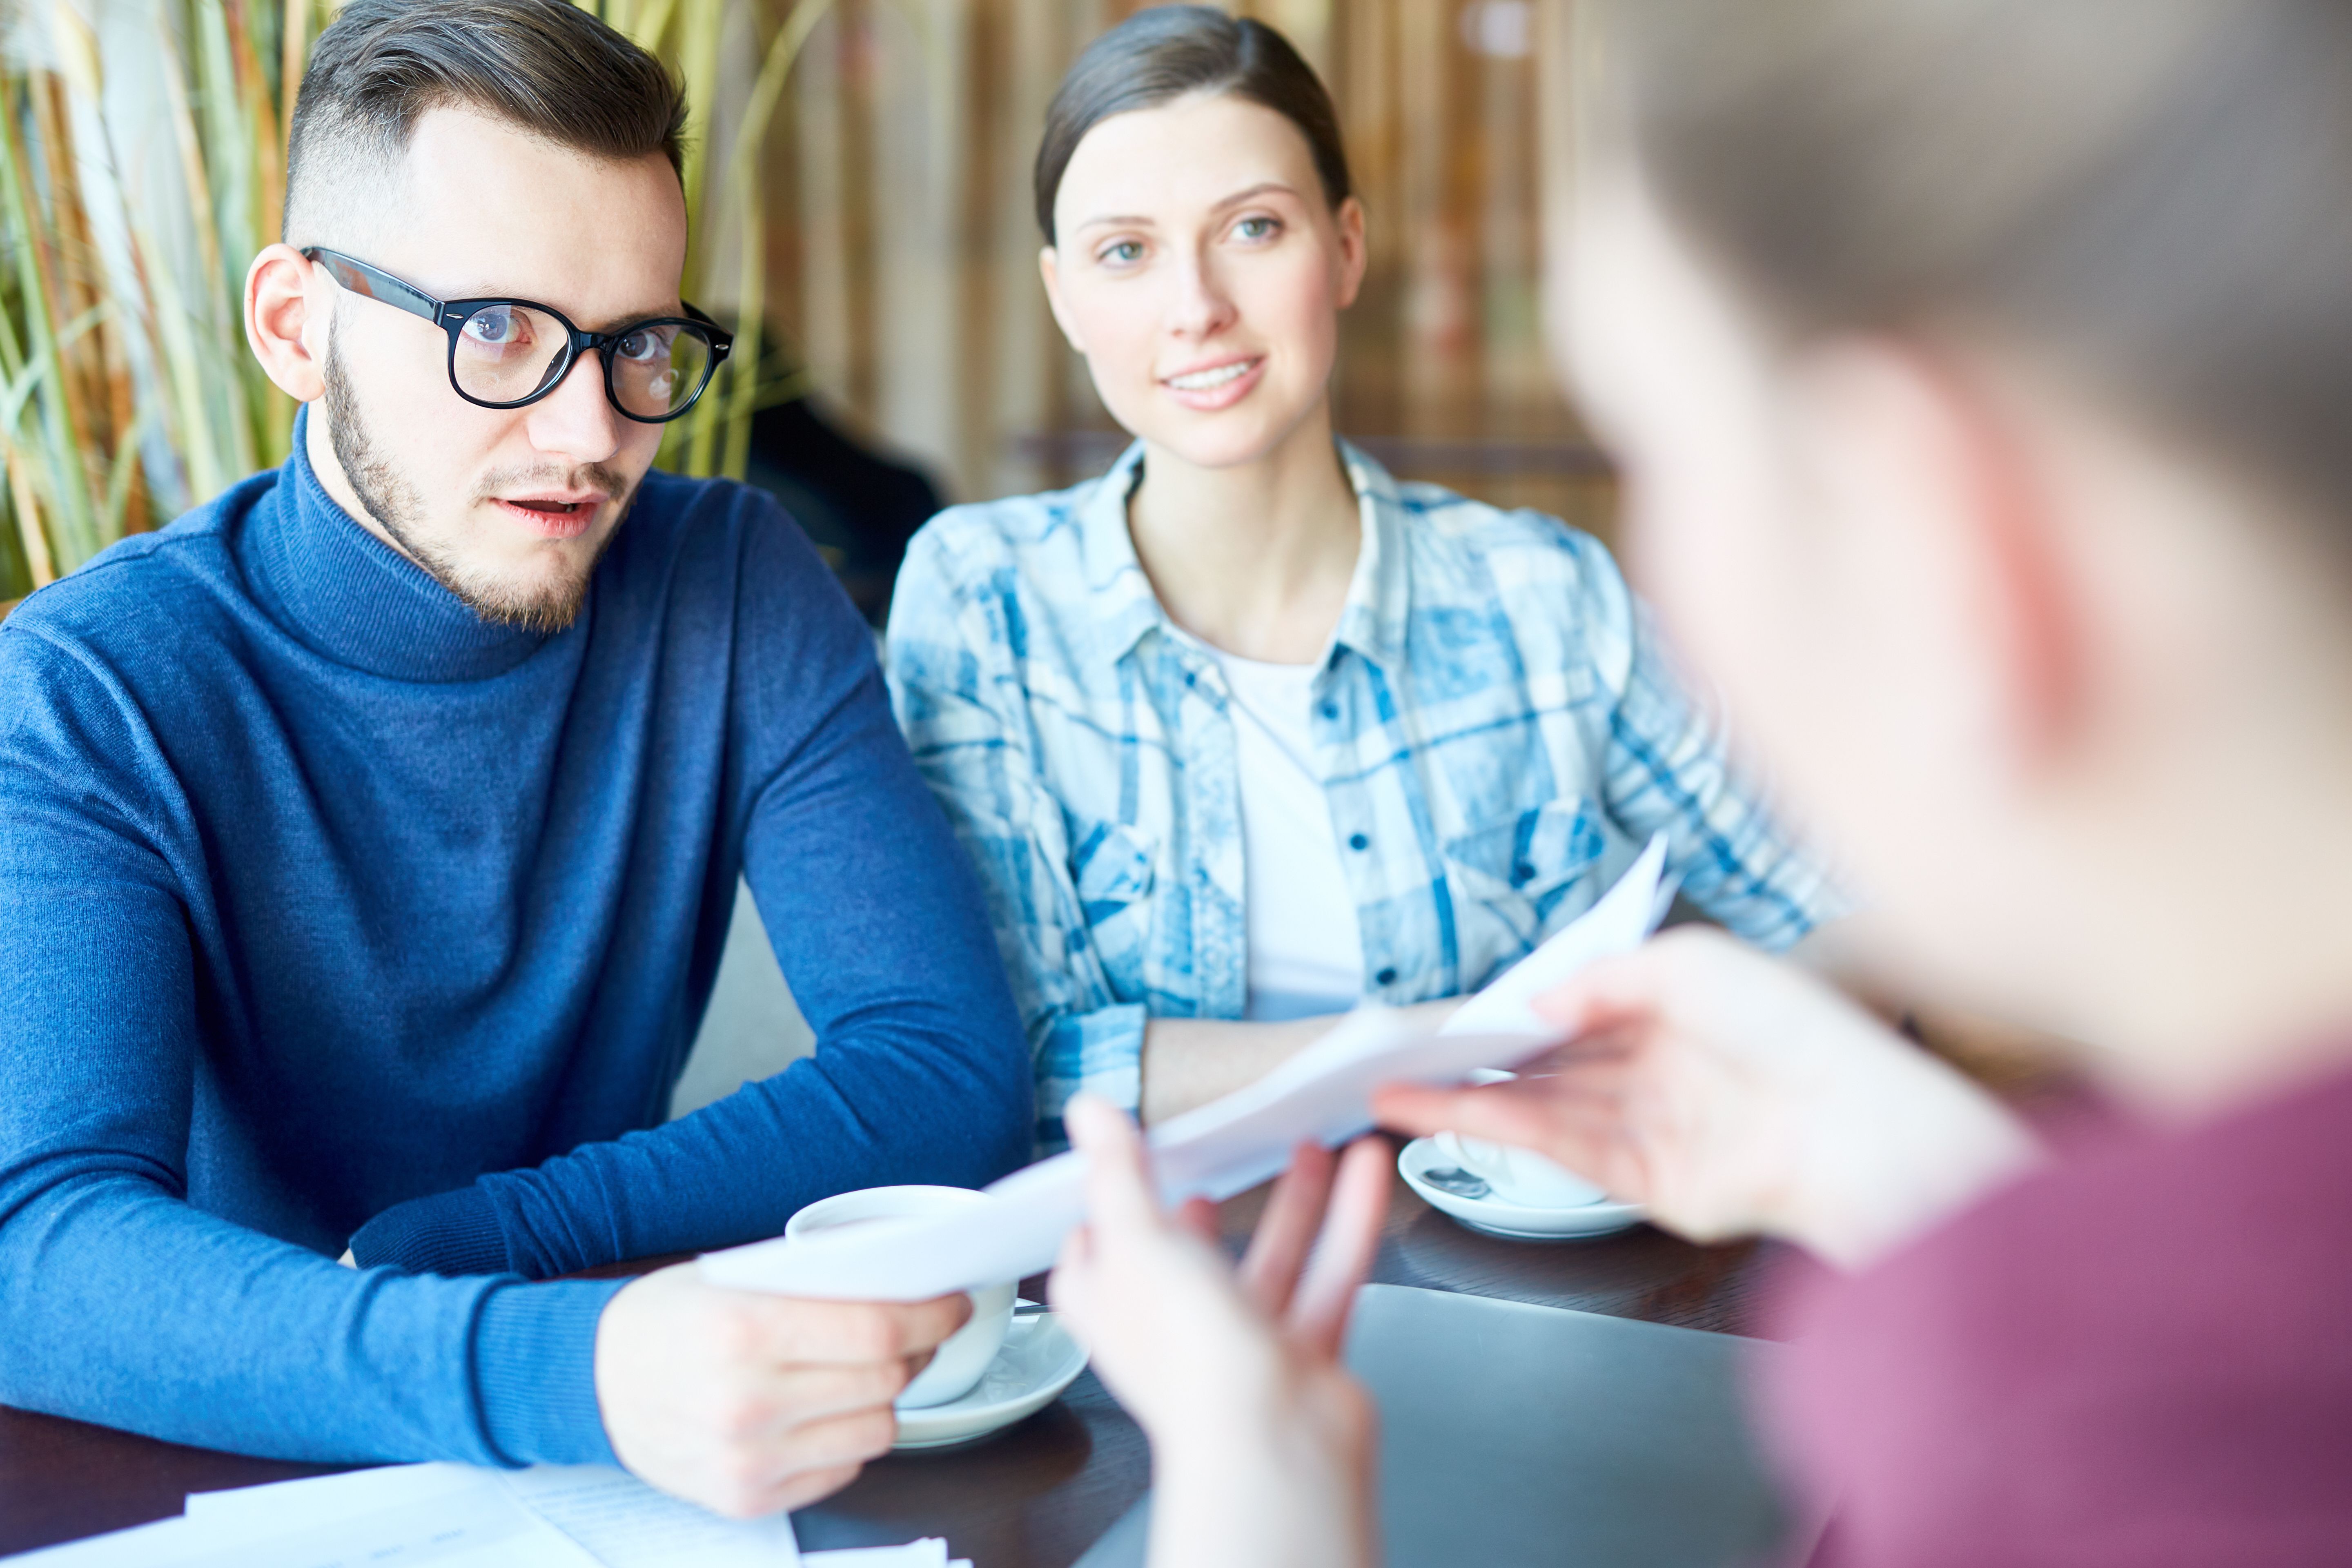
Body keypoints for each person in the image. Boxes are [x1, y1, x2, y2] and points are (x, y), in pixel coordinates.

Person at [1051, 0, 2352, 1561]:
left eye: (1660, 447)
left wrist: (1261, 1517)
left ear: (1933, 541)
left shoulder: (2040, 1433)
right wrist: (1892, 1161)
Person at [0, 0, 1031, 1518]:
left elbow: (946, 1069)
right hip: (213, 1471)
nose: (591, 429)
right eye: (499, 330)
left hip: (624, 1460)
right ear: (294, 324)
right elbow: (38, 1256)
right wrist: (565, 1363)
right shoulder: (91, 688)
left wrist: (489, 1238)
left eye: (639, 345)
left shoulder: (736, 583)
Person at [885, 7, 1839, 1152]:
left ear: (1344, 248)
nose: (1196, 306)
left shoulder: (1543, 599)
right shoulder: (982, 602)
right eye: (1125, 251)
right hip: (1147, 1274)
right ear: (1063, 298)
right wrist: (1471, 1040)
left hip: (1525, 1275)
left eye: (1252, 227)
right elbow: (1008, 1058)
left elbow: (1831, 917)